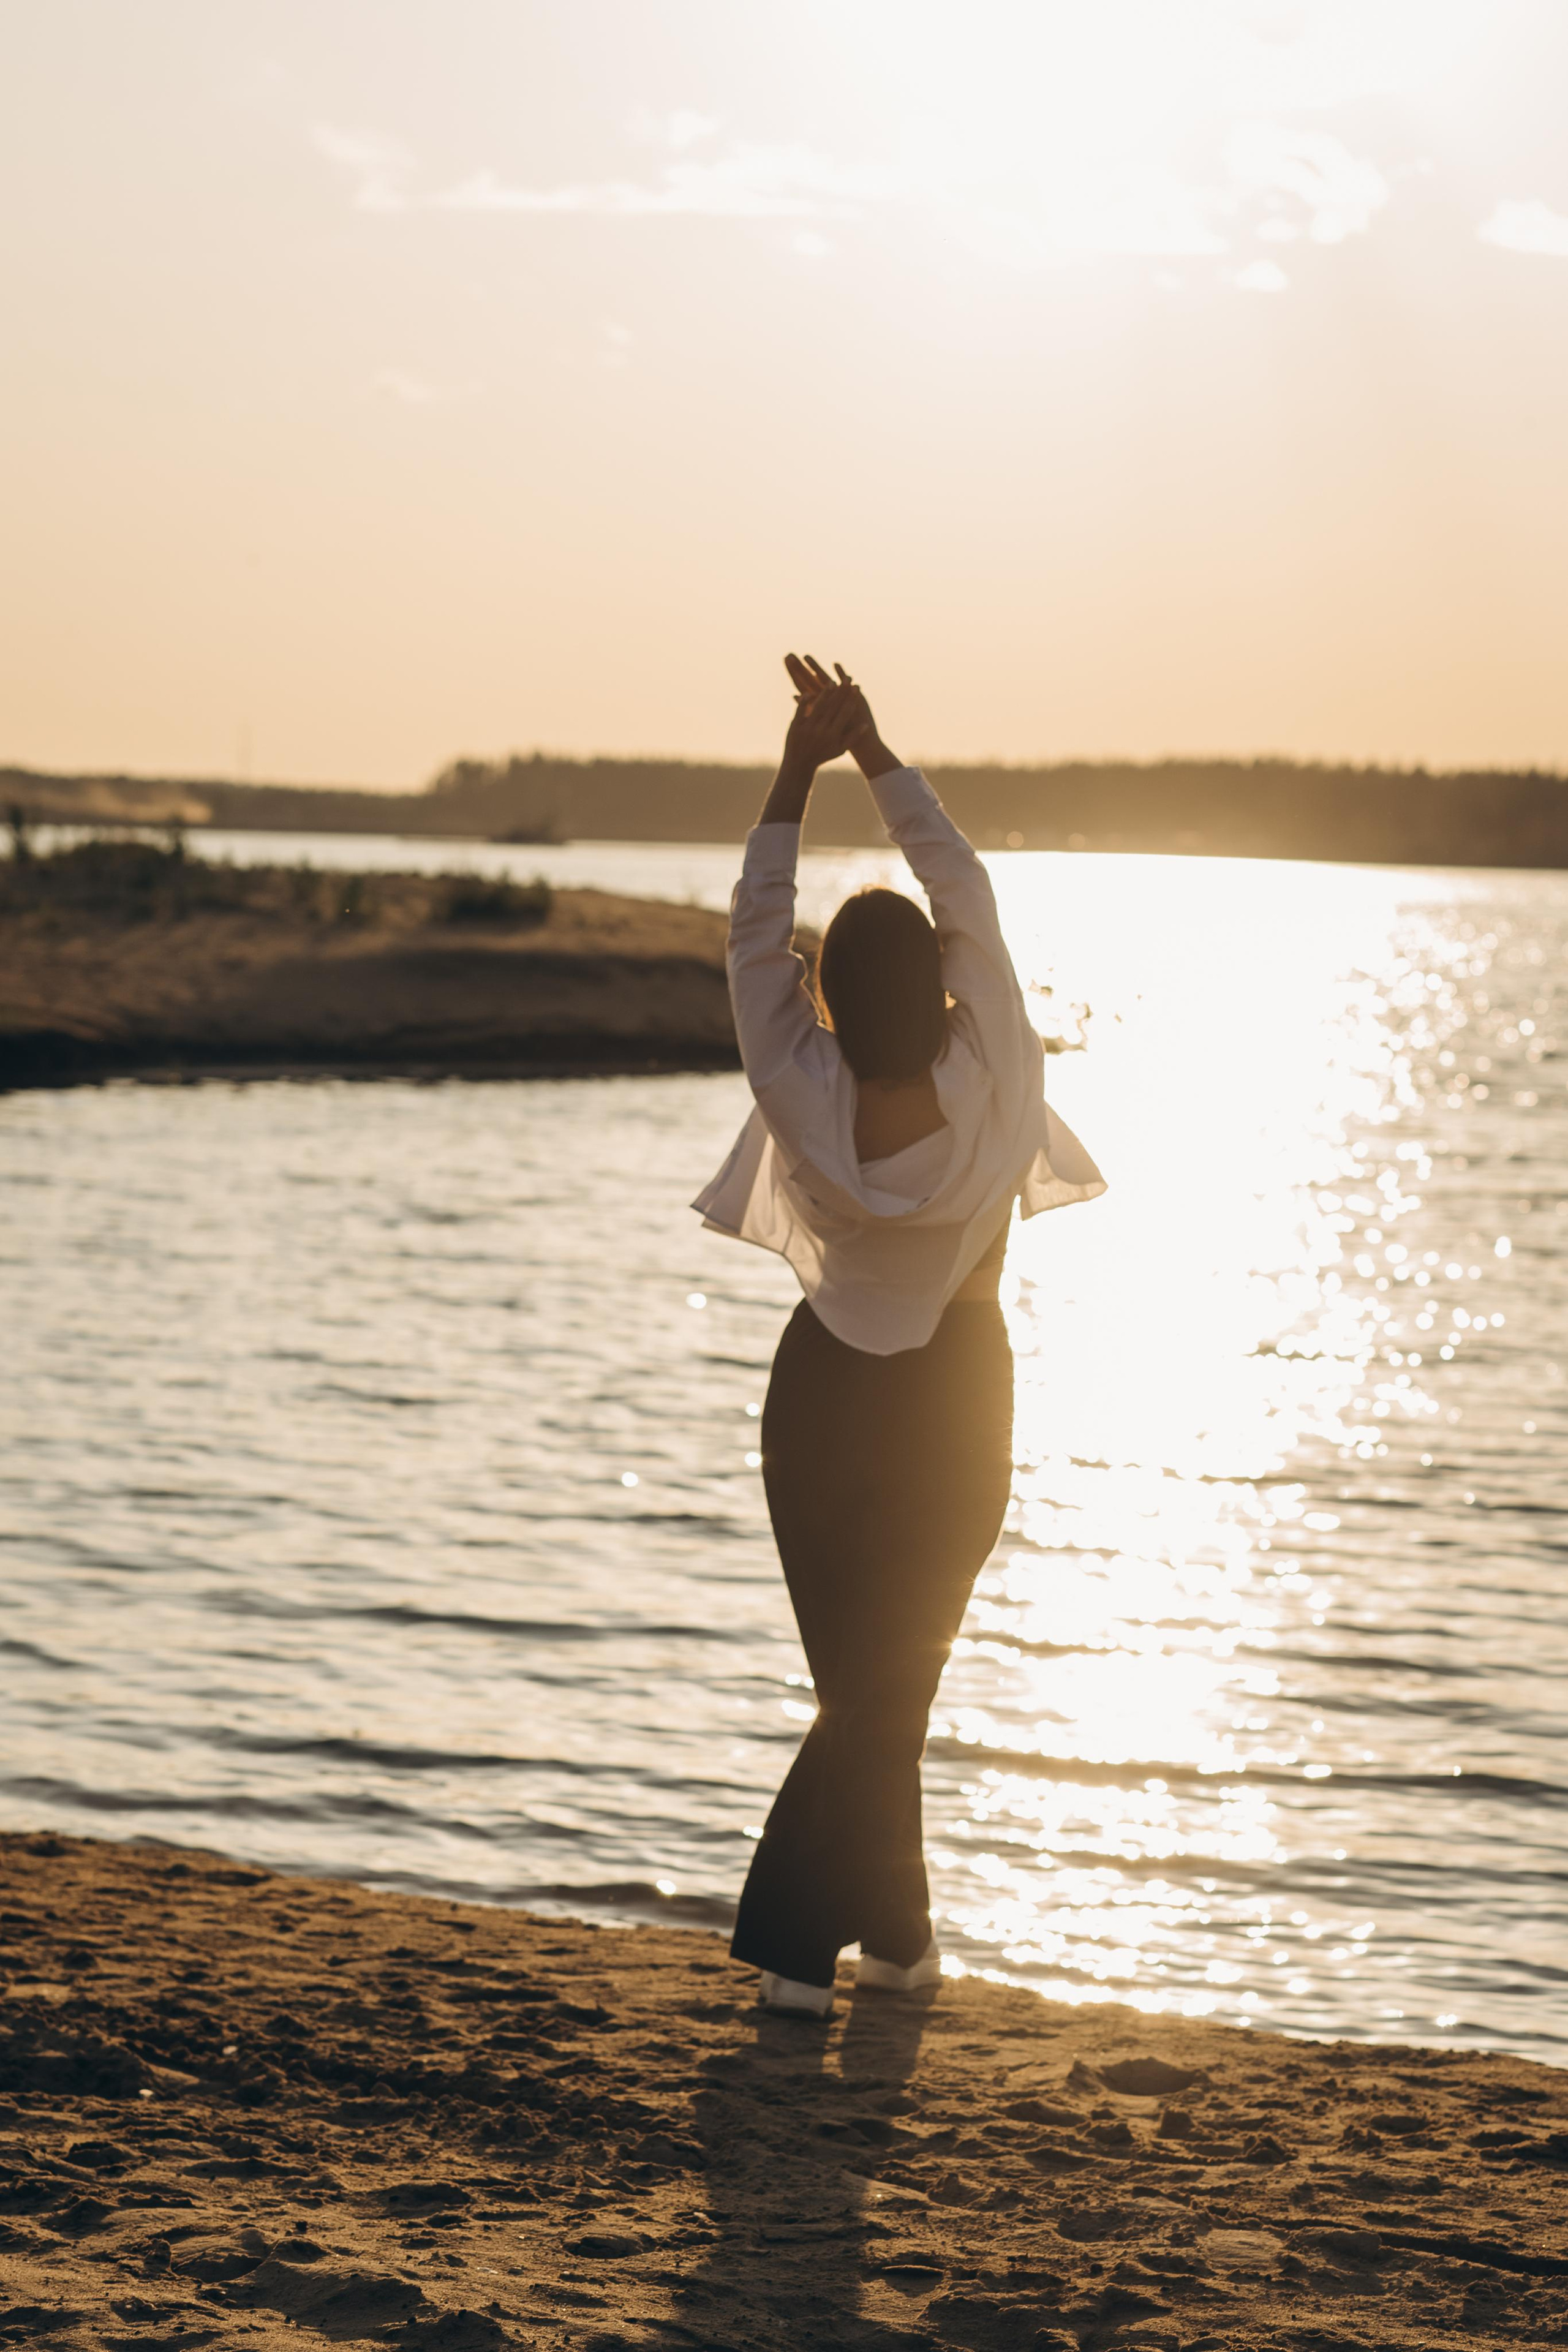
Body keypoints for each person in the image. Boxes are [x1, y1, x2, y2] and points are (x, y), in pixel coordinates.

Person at [693, 656, 1106, 2018]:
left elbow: (755, 931)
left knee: (872, 1691)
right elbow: (963, 884)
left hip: (816, 1399)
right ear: (937, 991)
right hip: (952, 1399)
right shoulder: (996, 1085)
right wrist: (867, 753)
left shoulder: (793, 1081)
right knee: (881, 1690)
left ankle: (902, 1946)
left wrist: (793, 773)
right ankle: (790, 1958)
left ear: (825, 997)